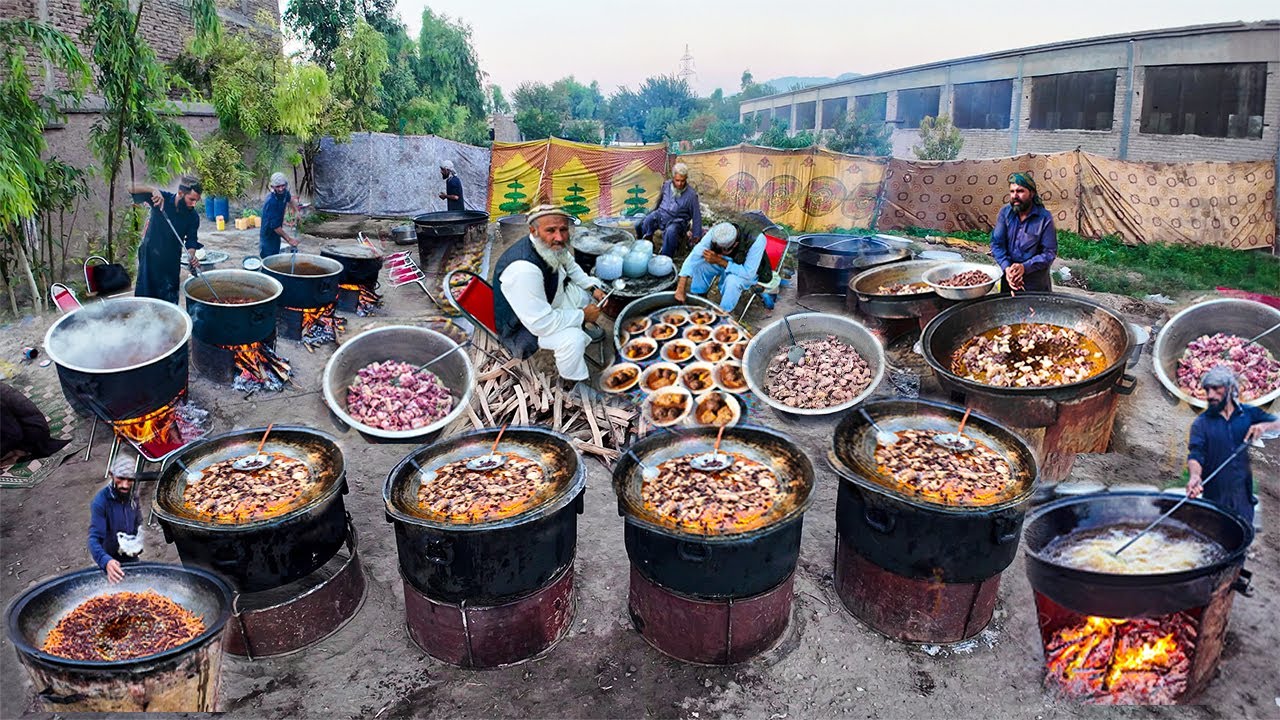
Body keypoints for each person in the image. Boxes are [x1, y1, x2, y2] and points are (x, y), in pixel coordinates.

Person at [493, 205, 606, 384]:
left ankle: (582, 324)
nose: (559, 237)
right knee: (573, 340)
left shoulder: (550, 244)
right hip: (526, 327)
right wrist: (582, 316)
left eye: (563, 229)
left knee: (592, 290)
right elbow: (541, 324)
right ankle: (573, 384)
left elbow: (571, 265)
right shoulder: (524, 270)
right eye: (551, 230)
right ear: (533, 230)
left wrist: (593, 288)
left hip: (550, 299)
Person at [1185, 365, 1279, 527]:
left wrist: (1264, 426)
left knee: (1243, 526)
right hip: (1214, 486)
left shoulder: (1249, 413)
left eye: (1216, 390)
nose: (1211, 395)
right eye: (1208, 390)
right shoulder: (1201, 424)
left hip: (1242, 488)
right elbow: (1196, 455)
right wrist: (1195, 476)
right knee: (1215, 526)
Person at [673, 216, 771, 314]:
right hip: (727, 261)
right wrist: (681, 288)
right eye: (717, 249)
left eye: (723, 250)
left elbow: (748, 273)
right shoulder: (718, 231)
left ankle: (722, 313)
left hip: (746, 270)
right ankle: (699, 298)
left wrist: (720, 261)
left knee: (732, 281)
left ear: (735, 244)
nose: (720, 252)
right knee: (701, 265)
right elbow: (694, 256)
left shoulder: (757, 240)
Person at [130, 176, 203, 304]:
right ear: (180, 193)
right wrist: (153, 190)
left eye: (196, 201)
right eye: (191, 199)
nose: (193, 204)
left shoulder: (193, 216)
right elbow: (130, 187)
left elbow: (191, 241)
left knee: (169, 298)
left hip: (171, 260)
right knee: (146, 296)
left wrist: (191, 257)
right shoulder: (161, 199)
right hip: (150, 256)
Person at [991, 172, 1057, 292]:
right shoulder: (1005, 213)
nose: (1015, 196)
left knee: (1037, 311)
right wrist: (1007, 268)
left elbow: (1049, 253)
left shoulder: (1044, 218)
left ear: (1031, 193)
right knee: (1008, 309)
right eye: (1012, 191)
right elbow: (997, 244)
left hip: (1035, 284)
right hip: (1009, 280)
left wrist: (1024, 267)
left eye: (1020, 191)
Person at [88, 456, 145, 583]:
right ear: (111, 475)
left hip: (129, 556)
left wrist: (136, 544)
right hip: (109, 558)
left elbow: (137, 522)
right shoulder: (101, 502)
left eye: (130, 480)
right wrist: (106, 561)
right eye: (120, 478)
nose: (125, 485)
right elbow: (94, 539)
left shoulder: (132, 497)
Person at [637, 163, 702, 257]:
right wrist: (652, 212)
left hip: (677, 221)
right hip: (661, 215)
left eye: (683, 181)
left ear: (686, 178)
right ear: (673, 178)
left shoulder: (691, 195)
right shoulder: (666, 185)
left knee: (671, 231)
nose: (680, 184)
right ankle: (648, 246)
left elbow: (696, 215)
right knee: (648, 220)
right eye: (677, 180)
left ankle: (665, 257)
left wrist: (696, 234)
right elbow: (659, 201)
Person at [0, 382, 71, 461]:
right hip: (18, 428)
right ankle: (15, 453)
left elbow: (13, 435)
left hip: (32, 434)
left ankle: (20, 452)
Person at [259, 172, 300, 258]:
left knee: (276, 254)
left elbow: (290, 200)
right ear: (272, 187)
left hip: (277, 233)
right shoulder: (271, 202)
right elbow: (275, 227)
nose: (281, 189)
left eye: (283, 185)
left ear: (286, 184)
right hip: (268, 234)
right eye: (278, 187)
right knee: (268, 258)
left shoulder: (285, 193)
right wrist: (289, 240)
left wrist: (296, 212)